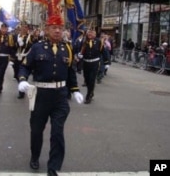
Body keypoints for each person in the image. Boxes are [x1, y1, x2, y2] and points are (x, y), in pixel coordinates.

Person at [18, 14, 83, 176]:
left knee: (57, 132)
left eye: (60, 28)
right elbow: (25, 66)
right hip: (40, 95)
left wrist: (75, 90)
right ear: (46, 30)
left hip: (60, 96)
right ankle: (35, 156)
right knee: (36, 130)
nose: (57, 31)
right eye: (54, 28)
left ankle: (53, 167)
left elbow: (70, 72)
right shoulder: (37, 47)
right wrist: (22, 79)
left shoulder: (67, 48)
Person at [78, 29, 109, 104]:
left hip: (95, 63)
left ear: (95, 34)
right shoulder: (84, 42)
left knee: (92, 80)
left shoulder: (99, 42)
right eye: (89, 33)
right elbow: (80, 50)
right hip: (86, 63)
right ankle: (91, 91)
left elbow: (104, 52)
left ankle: (88, 96)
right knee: (87, 80)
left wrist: (106, 62)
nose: (90, 34)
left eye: (92, 33)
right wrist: (79, 54)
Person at [0, 23, 15, 97]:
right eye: (2, 28)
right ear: (0, 28)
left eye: (5, 28)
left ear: (7, 29)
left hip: (4, 58)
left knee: (1, 74)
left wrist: (13, 58)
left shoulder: (9, 37)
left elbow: (12, 48)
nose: (3, 30)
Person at [13, 21, 34, 99]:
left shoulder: (30, 37)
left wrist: (26, 43)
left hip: (25, 57)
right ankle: (21, 84)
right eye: (22, 27)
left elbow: (32, 46)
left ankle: (21, 91)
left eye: (25, 27)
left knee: (23, 73)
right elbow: (12, 47)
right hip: (17, 57)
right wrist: (12, 58)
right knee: (16, 74)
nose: (23, 28)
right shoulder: (16, 36)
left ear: (27, 28)